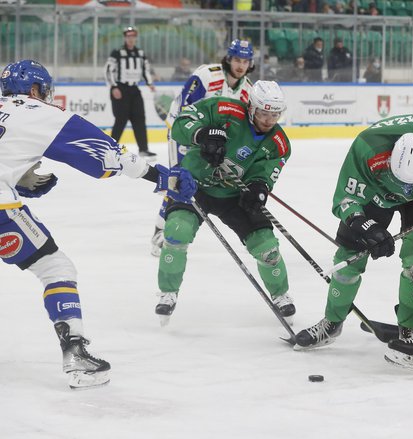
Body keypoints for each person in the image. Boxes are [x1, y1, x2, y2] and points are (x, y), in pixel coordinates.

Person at [0, 60, 196, 389]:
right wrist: (161, 176)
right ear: (34, 90)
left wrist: (18, 180)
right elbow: (106, 156)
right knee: (56, 268)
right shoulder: (38, 111)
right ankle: (75, 353)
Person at [294, 114, 413, 373]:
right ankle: (331, 322)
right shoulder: (368, 147)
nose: (404, 191)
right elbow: (344, 200)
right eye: (401, 181)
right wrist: (366, 226)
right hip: (375, 194)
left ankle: (410, 328)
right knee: (349, 260)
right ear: (390, 158)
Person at [156, 81, 295, 326]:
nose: (268, 120)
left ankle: (281, 294)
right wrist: (203, 134)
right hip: (195, 185)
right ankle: (168, 292)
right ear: (251, 107)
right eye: (263, 113)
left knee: (266, 246)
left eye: (275, 115)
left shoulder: (279, 144)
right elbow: (180, 124)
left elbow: (266, 173)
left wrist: (258, 188)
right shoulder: (223, 109)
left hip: (234, 196)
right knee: (177, 231)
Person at [150, 39, 254, 257]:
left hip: (210, 141)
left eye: (245, 61)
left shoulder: (247, 91)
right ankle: (160, 232)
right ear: (228, 59)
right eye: (237, 59)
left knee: (196, 184)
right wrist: (202, 136)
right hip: (182, 132)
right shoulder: (207, 75)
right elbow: (186, 110)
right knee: (179, 180)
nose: (241, 65)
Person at [104, 26, 156, 159]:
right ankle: (111, 149)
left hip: (134, 89)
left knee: (139, 119)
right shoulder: (117, 52)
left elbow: (145, 69)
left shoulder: (140, 53)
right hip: (120, 89)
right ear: (125, 38)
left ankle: (143, 149)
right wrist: (114, 87)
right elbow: (108, 70)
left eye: (133, 37)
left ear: (136, 38)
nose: (131, 39)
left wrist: (149, 83)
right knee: (120, 119)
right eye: (128, 37)